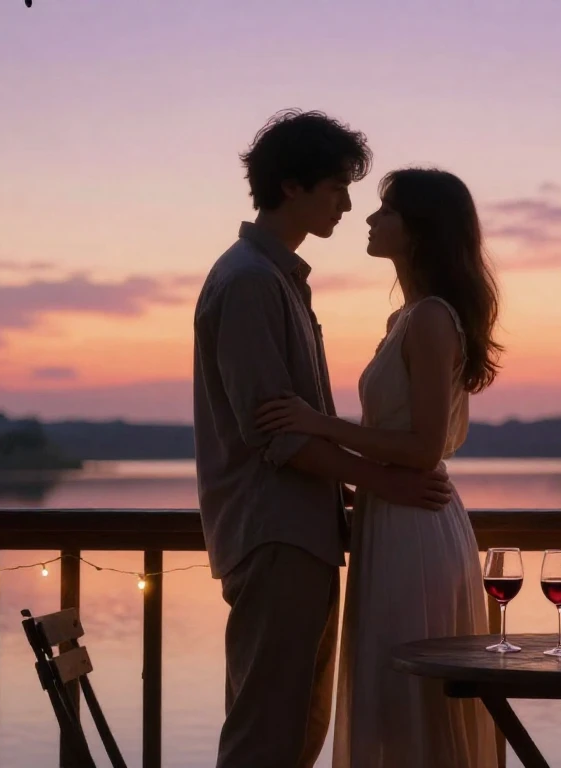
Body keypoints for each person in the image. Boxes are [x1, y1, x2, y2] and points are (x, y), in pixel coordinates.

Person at [192, 111, 454, 768]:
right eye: (336, 186)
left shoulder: (279, 279)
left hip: (303, 533)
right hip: (275, 533)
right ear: (291, 187)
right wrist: (389, 483)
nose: (347, 203)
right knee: (266, 735)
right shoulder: (251, 282)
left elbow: (294, 425)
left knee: (297, 730)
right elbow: (273, 436)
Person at [255, 167, 504, 768]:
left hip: (413, 525)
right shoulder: (409, 319)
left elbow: (422, 448)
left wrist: (316, 423)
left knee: (409, 697)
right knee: (390, 698)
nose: (369, 219)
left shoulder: (431, 319)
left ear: (420, 230)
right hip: (389, 515)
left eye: (386, 211)